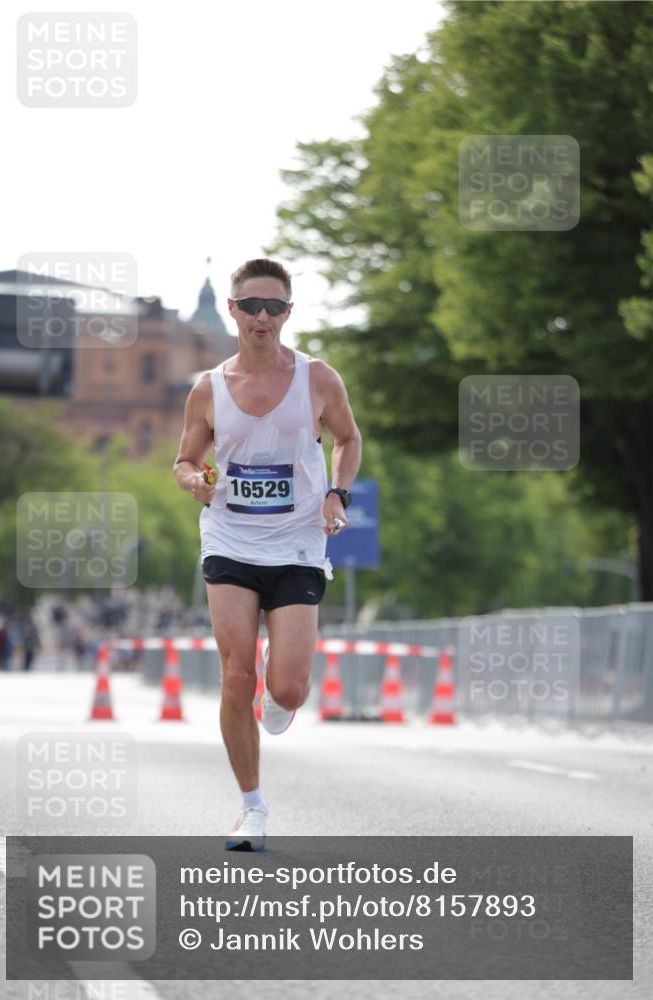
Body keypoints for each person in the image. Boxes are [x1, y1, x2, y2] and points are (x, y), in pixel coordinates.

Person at [173, 258, 361, 850]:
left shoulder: (318, 379)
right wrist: (194, 481)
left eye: (273, 307)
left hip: (299, 540)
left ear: (288, 313)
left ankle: (279, 701)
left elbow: (348, 438)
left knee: (286, 690)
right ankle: (251, 807)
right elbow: (184, 459)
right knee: (236, 674)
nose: (262, 316)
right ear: (232, 310)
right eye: (251, 305)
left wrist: (337, 492)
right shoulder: (207, 388)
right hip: (230, 536)